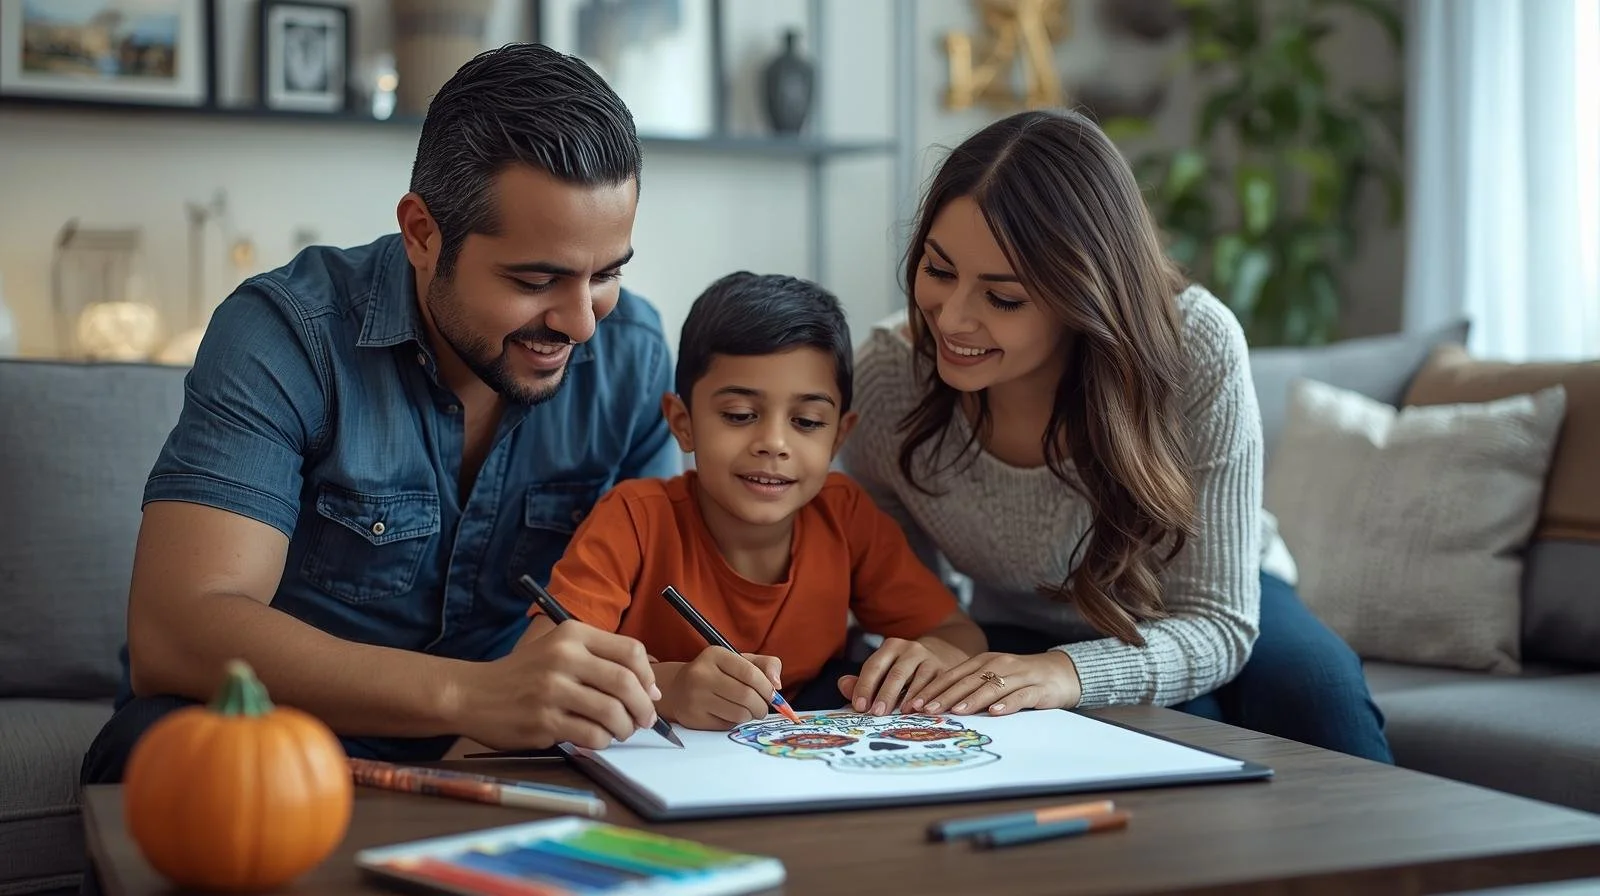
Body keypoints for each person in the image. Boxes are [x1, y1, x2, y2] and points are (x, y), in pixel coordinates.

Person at [80, 43, 681, 785]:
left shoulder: (633, 358)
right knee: (168, 761)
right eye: (535, 280)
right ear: (422, 233)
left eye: (607, 274)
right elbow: (176, 632)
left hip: (516, 745)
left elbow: (657, 608)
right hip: (280, 742)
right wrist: (471, 696)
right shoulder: (287, 335)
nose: (582, 323)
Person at [839, 109, 1393, 763]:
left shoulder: (1197, 348)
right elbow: (915, 600)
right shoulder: (885, 381)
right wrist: (931, 645)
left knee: (1317, 690)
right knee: (1180, 723)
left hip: (1205, 599)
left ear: (1084, 295)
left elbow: (1217, 623)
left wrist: (1063, 672)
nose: (952, 317)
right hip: (1013, 618)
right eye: (938, 270)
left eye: (1004, 298)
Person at [528, 271, 987, 730]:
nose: (773, 443)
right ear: (683, 423)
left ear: (839, 435)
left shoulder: (843, 514)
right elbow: (540, 658)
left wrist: (932, 657)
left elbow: (961, 634)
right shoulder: (633, 517)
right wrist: (669, 686)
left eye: (807, 421)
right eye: (740, 415)